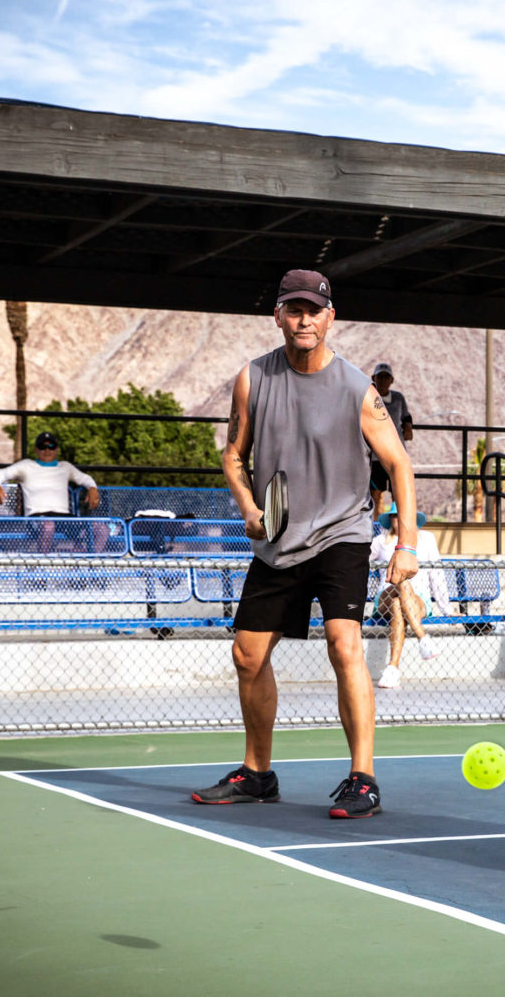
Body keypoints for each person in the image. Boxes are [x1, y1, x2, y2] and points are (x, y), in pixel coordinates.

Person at [191, 268, 419, 819]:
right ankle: (258, 775)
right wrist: (249, 509)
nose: (304, 319)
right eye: (293, 309)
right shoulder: (253, 378)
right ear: (278, 316)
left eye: (313, 310)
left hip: (342, 533)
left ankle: (362, 779)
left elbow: (398, 463)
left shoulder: (356, 388)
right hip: (278, 540)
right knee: (247, 655)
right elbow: (233, 454)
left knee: (344, 644)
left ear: (329, 317)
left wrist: (406, 544)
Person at [370, 506, 451, 689]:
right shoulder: (380, 541)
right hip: (385, 595)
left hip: (418, 598)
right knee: (401, 578)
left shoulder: (427, 539)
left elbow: (436, 575)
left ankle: (392, 668)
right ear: (390, 519)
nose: (400, 519)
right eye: (395, 516)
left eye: (404, 515)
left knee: (398, 604)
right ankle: (422, 638)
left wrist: (447, 610)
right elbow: (359, 564)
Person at [0, 432, 100, 516]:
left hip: (63, 517)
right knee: (48, 526)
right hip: (36, 517)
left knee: (101, 529)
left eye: (51, 446)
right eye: (42, 447)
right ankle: (45, 549)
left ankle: (79, 549)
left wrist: (92, 488)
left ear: (57, 449)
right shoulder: (26, 466)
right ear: (36, 450)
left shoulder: (65, 467)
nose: (47, 450)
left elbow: (85, 479)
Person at [367, 362, 414, 515]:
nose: (383, 380)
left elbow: (406, 417)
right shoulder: (368, 397)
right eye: (380, 376)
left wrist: (408, 428)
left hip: (397, 453)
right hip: (375, 455)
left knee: (398, 492)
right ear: (374, 378)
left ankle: (396, 526)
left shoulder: (398, 398)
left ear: (392, 380)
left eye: (387, 377)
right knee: (376, 493)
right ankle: (376, 529)